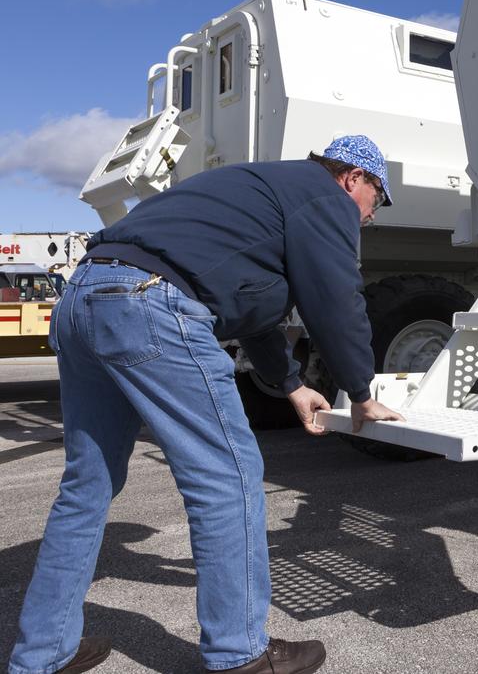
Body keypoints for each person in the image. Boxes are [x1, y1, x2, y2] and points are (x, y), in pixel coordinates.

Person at [8, 135, 406, 674]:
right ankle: (240, 653)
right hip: (151, 301)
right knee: (228, 480)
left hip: (83, 298)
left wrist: (289, 383)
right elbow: (336, 297)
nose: (370, 217)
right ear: (353, 177)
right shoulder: (324, 196)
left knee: (86, 487)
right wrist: (362, 392)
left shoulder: (257, 189)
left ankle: (42, 654)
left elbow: (253, 310)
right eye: (376, 201)